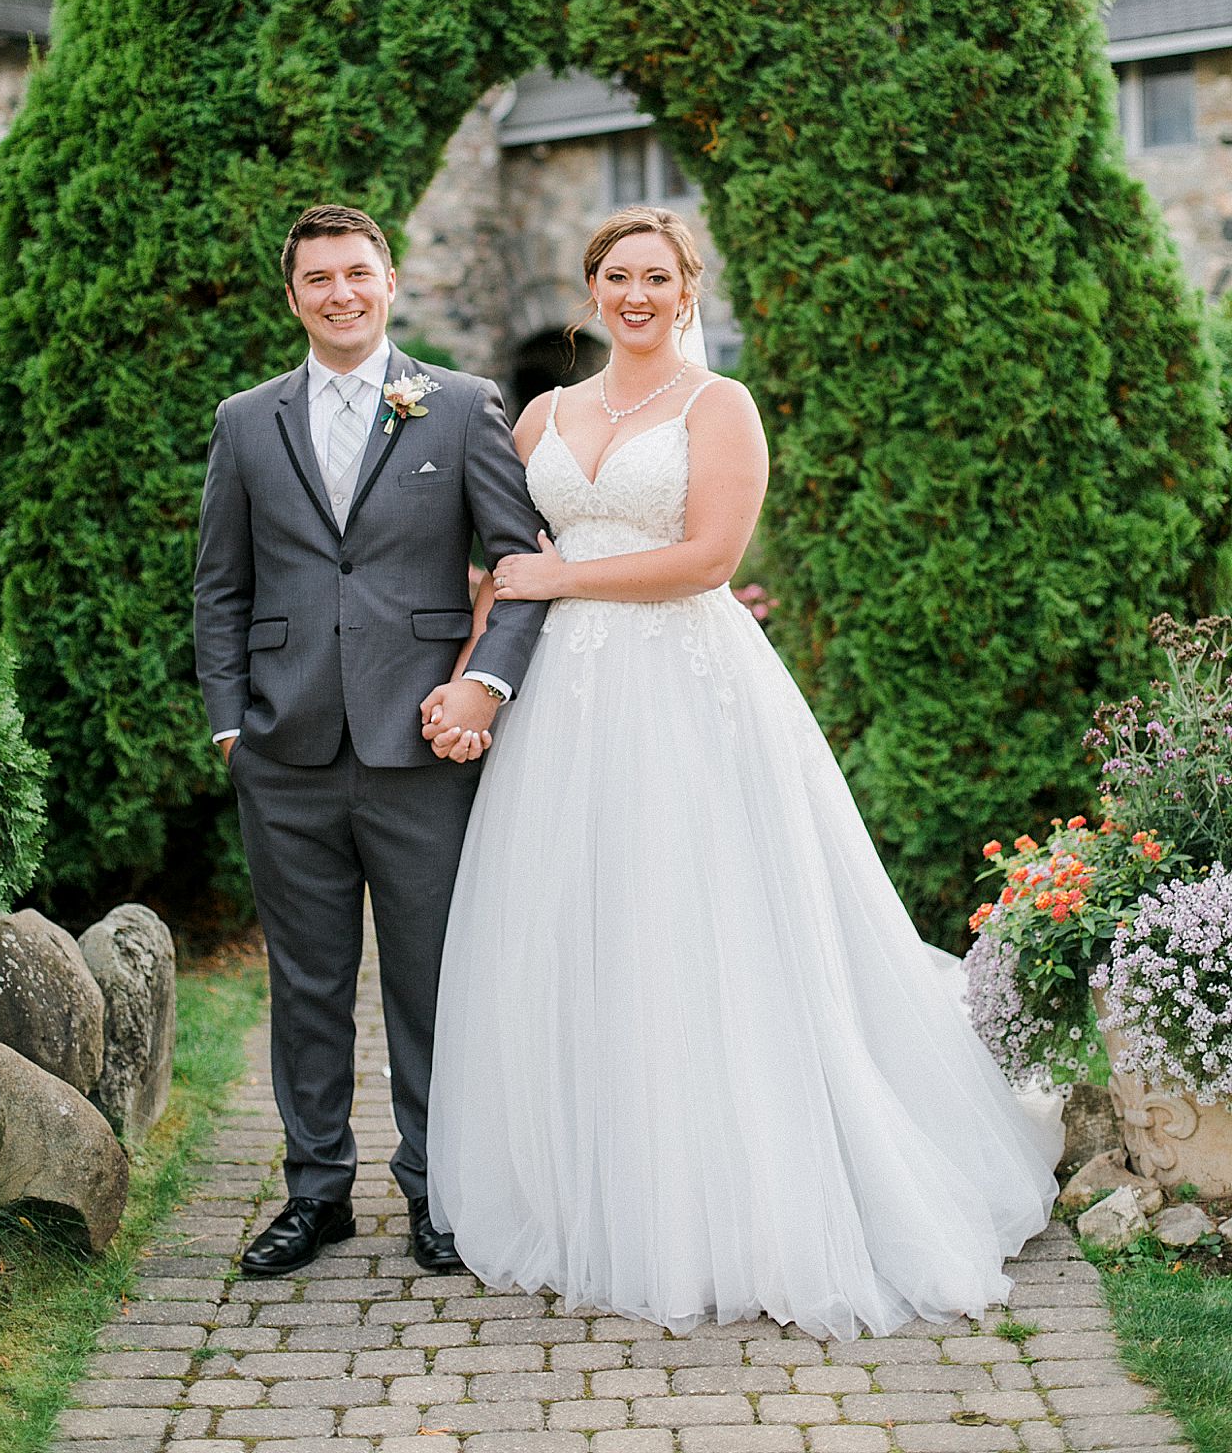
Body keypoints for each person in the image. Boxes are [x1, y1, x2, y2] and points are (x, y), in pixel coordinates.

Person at [424, 204, 1058, 1338]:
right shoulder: (542, 416)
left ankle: (733, 1195)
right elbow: (501, 566)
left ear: (685, 289)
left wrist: (556, 582)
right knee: (579, 923)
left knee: (701, 921)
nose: (634, 294)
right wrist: (473, 676)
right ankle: (588, 1184)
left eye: (655, 277)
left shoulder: (719, 408)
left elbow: (707, 558)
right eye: (615, 275)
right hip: (560, 706)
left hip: (686, 690)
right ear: (589, 292)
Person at [194, 204, 546, 1277]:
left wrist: (483, 686)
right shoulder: (246, 422)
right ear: (291, 295)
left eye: (357, 273)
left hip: (422, 749)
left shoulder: (458, 406)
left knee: (430, 982)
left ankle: (439, 1194)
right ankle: (314, 1195)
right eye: (317, 280)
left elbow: (521, 565)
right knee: (305, 984)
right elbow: (219, 586)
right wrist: (228, 726)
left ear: (389, 280)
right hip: (283, 752)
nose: (339, 294)